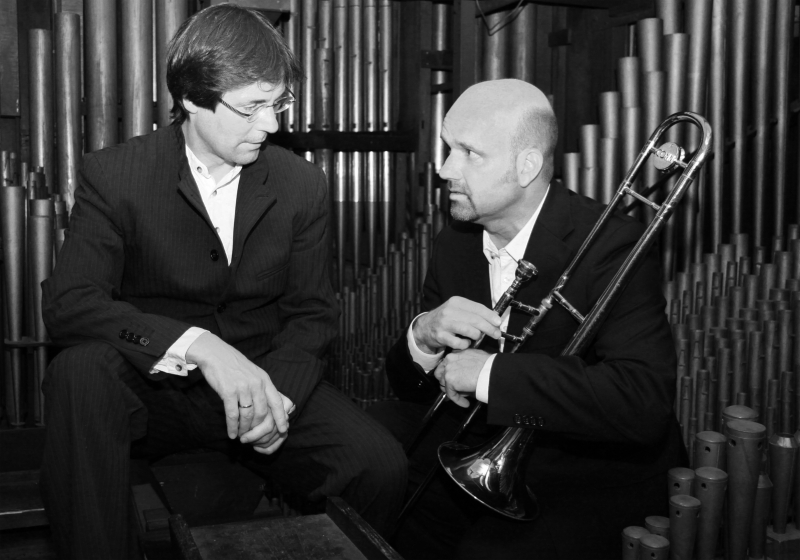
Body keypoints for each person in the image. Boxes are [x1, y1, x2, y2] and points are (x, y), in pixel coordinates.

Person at [40, 5, 405, 559]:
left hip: (265, 381)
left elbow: (313, 315)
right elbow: (69, 305)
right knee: (78, 373)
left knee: (380, 465)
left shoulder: (302, 185)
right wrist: (196, 345)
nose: (273, 125)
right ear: (190, 97)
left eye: (279, 102)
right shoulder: (114, 175)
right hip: (155, 389)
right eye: (253, 106)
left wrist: (275, 399)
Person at [369, 79, 686, 559]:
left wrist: (491, 376)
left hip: (584, 476)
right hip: (477, 451)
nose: (444, 168)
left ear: (527, 166)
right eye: (448, 148)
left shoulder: (613, 245)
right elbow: (410, 390)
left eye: (469, 153)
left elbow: (643, 401)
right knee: (368, 468)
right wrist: (424, 336)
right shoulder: (455, 241)